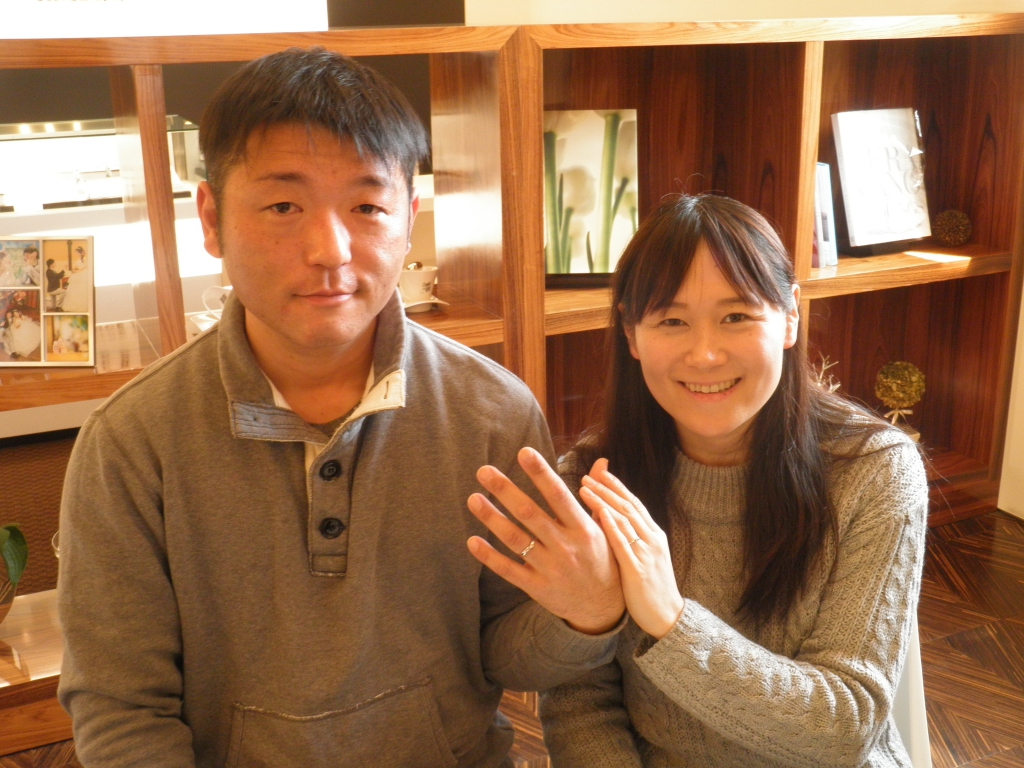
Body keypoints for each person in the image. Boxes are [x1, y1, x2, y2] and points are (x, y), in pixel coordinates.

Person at [58, 48, 625, 768]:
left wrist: (587, 614)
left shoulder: (492, 412)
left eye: (367, 207)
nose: (330, 249)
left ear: (408, 218)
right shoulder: (131, 442)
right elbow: (123, 710)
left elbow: (506, 652)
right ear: (211, 217)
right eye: (283, 206)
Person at [474, 194, 929, 767]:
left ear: (790, 315)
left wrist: (671, 623)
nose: (705, 355)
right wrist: (586, 616)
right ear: (631, 334)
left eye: (736, 316)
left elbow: (846, 728)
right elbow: (581, 709)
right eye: (672, 321)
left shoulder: (874, 470)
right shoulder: (593, 484)